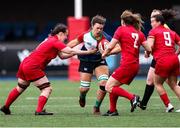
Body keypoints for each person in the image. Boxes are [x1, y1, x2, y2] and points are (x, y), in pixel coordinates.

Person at [0, 23, 96, 115]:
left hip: (26, 63)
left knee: (20, 88)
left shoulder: (50, 39)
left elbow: (62, 56)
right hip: (33, 66)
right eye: (66, 35)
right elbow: (69, 50)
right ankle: (39, 111)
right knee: (47, 89)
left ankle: (6, 107)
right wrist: (88, 52)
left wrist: (76, 53)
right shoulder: (55, 41)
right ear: (60, 33)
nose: (66, 38)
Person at [102, 10, 151, 116]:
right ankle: (112, 110)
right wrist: (147, 53)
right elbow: (149, 48)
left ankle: (133, 97)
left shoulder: (121, 30)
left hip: (127, 65)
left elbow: (111, 45)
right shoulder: (139, 33)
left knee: (108, 87)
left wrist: (104, 53)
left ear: (123, 21)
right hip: (134, 66)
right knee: (113, 85)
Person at [67, 15, 112, 115]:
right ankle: (82, 96)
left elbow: (118, 47)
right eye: (97, 28)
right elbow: (74, 42)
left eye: (101, 28)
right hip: (86, 60)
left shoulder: (106, 38)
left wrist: (109, 51)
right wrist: (63, 49)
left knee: (104, 83)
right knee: (84, 88)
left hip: (99, 61)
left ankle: (96, 107)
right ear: (92, 26)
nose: (99, 30)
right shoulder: (85, 35)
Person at [139, 9, 179, 110]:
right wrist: (176, 53)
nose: (151, 23)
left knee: (157, 83)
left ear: (159, 21)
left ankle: (168, 105)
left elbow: (150, 46)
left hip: (162, 59)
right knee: (173, 84)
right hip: (173, 59)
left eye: (153, 20)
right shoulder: (170, 31)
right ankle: (144, 103)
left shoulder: (154, 31)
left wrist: (147, 53)